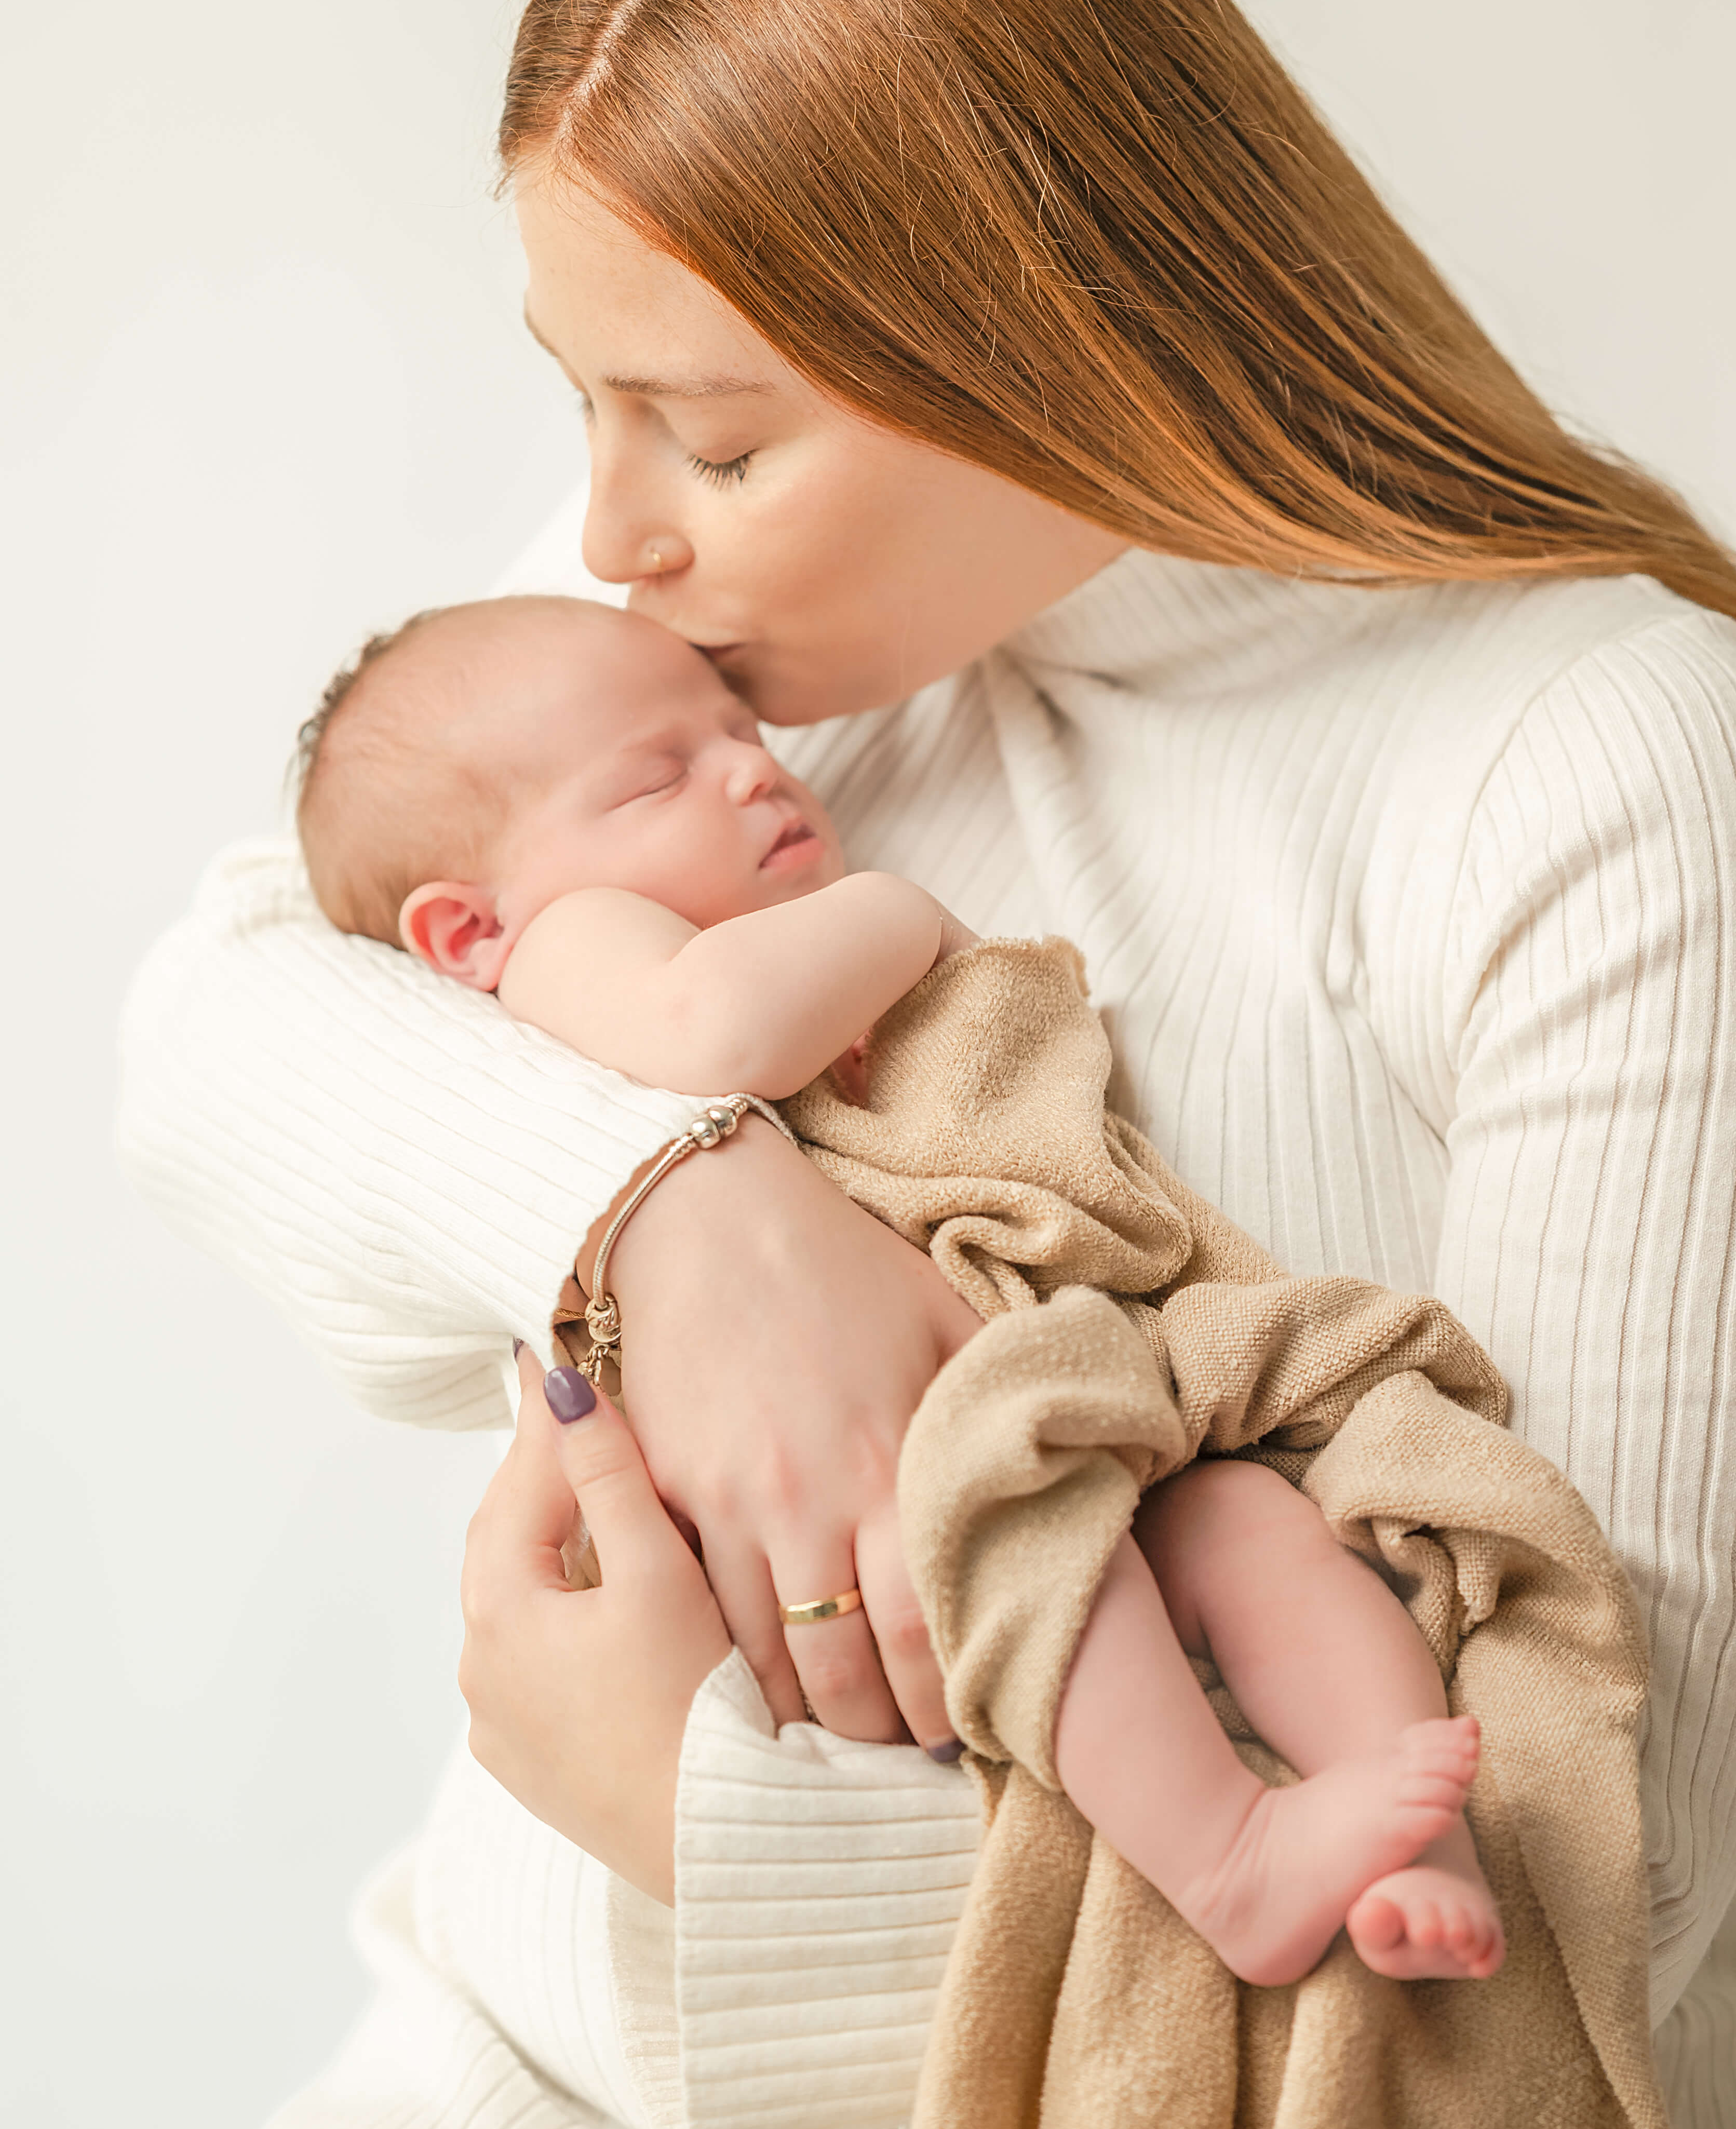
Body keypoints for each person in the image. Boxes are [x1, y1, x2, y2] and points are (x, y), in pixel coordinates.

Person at [26, 0, 1736, 2129]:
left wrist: (715, 1828)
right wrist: (660, 1206)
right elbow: (216, 1010)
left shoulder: (1624, 780)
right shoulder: (730, 667)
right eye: (579, 399)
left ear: (1040, 324)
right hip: (560, 2122)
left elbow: (1558, 1898)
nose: (612, 523)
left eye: (710, 430)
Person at [294, 588, 1508, 1989]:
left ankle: (1415, 1839)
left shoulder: (658, 886)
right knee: (1043, 1542)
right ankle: (1233, 1862)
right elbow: (715, 1032)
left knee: (1248, 1527)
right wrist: (896, 914)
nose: (754, 766)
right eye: (657, 774)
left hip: (1023, 1409)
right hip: (922, 1486)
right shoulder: (568, 942)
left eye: (739, 730)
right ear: (464, 936)